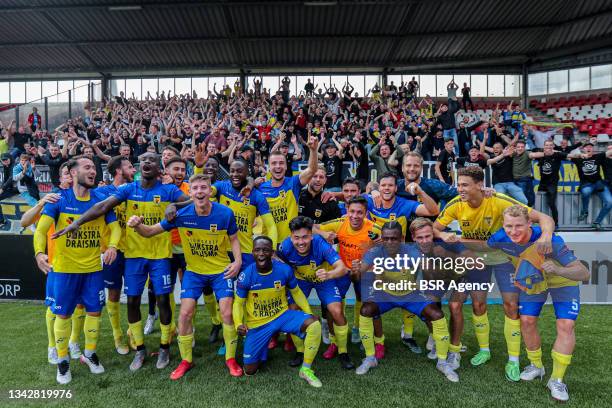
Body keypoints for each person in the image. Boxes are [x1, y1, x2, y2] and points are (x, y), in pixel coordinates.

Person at [52, 152, 190, 372]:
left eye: (151, 161)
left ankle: (165, 347)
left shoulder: (169, 190)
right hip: (134, 257)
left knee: (163, 300)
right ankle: (140, 349)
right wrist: (75, 222)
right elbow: (101, 207)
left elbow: (195, 200)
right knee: (133, 301)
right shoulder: (128, 189)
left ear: (159, 169)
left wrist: (176, 206)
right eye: (142, 160)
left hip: (161, 257)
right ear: (139, 166)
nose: (146, 163)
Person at [434, 166, 555, 381]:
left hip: (504, 259)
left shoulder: (499, 200)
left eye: (464, 185)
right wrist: (443, 235)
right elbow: (436, 227)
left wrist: (546, 237)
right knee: (478, 305)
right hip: (476, 259)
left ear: (480, 185)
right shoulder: (455, 204)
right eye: (458, 184)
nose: (459, 188)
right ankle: (484, 350)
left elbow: (544, 218)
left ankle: (514, 360)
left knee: (510, 307)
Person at [127, 173, 243, 379]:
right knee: (185, 314)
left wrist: (238, 261)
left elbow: (234, 238)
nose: (199, 192)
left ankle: (231, 359)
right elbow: (150, 232)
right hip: (194, 272)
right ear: (191, 192)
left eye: (203, 188)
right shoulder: (181, 215)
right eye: (195, 188)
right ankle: (186, 360)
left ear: (210, 191)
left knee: (226, 313)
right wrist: (137, 225)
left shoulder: (225, 213)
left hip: (220, 271)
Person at [488, 205, 589, 402]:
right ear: (503, 225)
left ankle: (557, 380)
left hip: (562, 281)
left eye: (519, 226)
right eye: (509, 226)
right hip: (534, 282)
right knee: (526, 321)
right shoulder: (500, 238)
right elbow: (482, 248)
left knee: (566, 325)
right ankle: (536, 366)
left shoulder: (551, 242)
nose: (514, 231)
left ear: (530, 224)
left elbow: (584, 273)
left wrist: (558, 270)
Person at [34, 156, 121, 384]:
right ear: (73, 173)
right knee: (62, 314)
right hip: (64, 270)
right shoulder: (59, 199)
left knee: (94, 312)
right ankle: (63, 362)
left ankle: (90, 354)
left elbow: (115, 228)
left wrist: (112, 246)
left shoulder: (102, 199)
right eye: (88, 167)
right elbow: (40, 230)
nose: (93, 171)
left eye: (94, 167)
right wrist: (39, 253)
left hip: (93, 269)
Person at [355, 221, 458, 382]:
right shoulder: (374, 251)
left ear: (402, 238)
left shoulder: (411, 251)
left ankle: (443, 362)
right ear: (382, 238)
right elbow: (357, 276)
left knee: (437, 314)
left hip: (411, 294)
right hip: (385, 294)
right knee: (366, 310)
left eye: (394, 239)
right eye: (386, 238)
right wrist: (355, 271)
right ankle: (370, 358)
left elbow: (429, 268)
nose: (389, 242)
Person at [234, 236, 323, 387]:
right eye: (257, 250)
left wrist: (308, 312)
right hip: (258, 324)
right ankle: (260, 350)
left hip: (282, 315)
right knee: (250, 370)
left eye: (265, 250)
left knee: (313, 324)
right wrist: (238, 324)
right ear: (252, 253)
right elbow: (238, 303)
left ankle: (306, 369)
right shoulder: (246, 275)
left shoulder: (284, 270)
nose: (261, 253)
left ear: (272, 252)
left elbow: (296, 293)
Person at [278, 216, 354, 369]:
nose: (301, 242)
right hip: (301, 280)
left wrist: (329, 275)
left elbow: (342, 268)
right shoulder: (285, 247)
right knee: (292, 310)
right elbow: (278, 261)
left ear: (311, 235)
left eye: (305, 237)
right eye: (296, 238)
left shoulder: (320, 243)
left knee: (336, 310)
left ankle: (343, 351)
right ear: (291, 236)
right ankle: (300, 351)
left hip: (324, 278)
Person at [316, 196, 382, 354]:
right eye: (352, 211)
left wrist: (380, 244)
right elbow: (312, 227)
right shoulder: (340, 223)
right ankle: (334, 342)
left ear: (366, 213)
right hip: (343, 270)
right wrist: (324, 235)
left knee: (370, 305)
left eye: (360, 212)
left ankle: (377, 341)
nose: (355, 215)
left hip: (366, 270)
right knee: (333, 304)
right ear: (347, 210)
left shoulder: (374, 229)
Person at [95, 156, 136, 355]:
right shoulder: (102, 192)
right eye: (130, 167)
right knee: (113, 293)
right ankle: (117, 335)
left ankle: (132, 331)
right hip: (111, 252)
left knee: (133, 293)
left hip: (133, 251)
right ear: (118, 171)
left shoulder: (136, 190)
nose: (134, 170)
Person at [256, 135, 319, 242]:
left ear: (286, 166)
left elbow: (312, 170)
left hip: (290, 244)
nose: (278, 166)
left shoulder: (293, 183)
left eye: (281, 163)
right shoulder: (260, 188)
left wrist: (313, 150)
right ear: (269, 168)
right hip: (268, 244)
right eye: (274, 163)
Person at [529, 141, 582, 225]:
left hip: (552, 184)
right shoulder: (541, 154)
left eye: (550, 145)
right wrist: (544, 153)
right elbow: (531, 155)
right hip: (542, 183)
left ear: (553, 146)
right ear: (544, 146)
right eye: (546, 145)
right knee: (536, 202)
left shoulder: (557, 155)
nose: (548, 147)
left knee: (551, 203)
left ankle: (555, 223)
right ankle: (536, 222)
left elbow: (570, 155)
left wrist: (580, 155)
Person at [570, 143, 612, 229]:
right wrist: (579, 155)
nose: (589, 148)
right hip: (586, 184)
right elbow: (565, 154)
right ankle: (585, 211)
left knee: (610, 202)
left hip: (598, 183)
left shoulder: (598, 156)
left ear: (593, 149)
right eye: (586, 147)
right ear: (583, 149)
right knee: (586, 191)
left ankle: (597, 222)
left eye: (590, 147)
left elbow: (609, 152)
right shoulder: (578, 159)